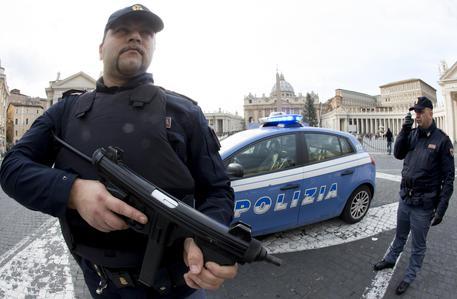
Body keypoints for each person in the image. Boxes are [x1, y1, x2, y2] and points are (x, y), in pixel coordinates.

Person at [0, 4, 237, 298]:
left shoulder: (184, 112)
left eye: (145, 33)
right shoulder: (65, 112)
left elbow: (218, 190)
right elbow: (11, 167)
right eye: (123, 31)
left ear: (152, 47)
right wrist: (73, 192)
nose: (136, 37)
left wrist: (206, 239)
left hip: (179, 289)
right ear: (101, 49)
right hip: (101, 287)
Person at [373, 96, 454, 295]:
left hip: (424, 204)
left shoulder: (442, 140)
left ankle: (409, 276)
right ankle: (390, 259)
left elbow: (449, 178)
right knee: (399, 235)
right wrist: (404, 130)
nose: (416, 116)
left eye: (420, 112)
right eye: (415, 112)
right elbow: (398, 154)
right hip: (405, 198)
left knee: (418, 245)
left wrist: (441, 209)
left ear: (430, 113)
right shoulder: (412, 133)